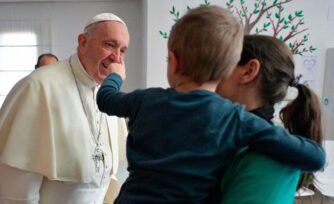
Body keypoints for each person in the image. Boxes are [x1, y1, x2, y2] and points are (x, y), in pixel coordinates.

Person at [96, 5, 325, 204]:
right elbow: (315, 157)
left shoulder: (145, 99)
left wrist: (115, 75)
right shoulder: (236, 119)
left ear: (173, 61)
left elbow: (105, 99)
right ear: (227, 69)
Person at [0, 13, 129, 204]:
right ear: (83, 42)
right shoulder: (38, 86)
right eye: (109, 45)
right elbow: (17, 192)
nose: (117, 58)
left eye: (123, 50)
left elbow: (106, 177)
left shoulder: (107, 94)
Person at [217, 35, 323, 203]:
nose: (208, 74)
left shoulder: (271, 157)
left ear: (248, 71)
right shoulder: (230, 138)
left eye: (219, 65)